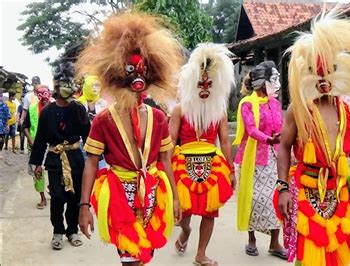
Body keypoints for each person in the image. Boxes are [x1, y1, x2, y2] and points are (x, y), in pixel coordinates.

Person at [276, 11, 350, 266]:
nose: (324, 78)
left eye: (328, 71)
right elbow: (284, 147)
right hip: (306, 191)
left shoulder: (347, 111)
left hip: (338, 193)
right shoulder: (299, 109)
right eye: (318, 71)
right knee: (310, 258)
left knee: (338, 257)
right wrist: (282, 187)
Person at [77, 13, 183, 265]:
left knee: (146, 254)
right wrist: (83, 206)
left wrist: (176, 198)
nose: (137, 75)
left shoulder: (158, 117)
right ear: (117, 73)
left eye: (142, 69)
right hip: (119, 196)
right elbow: (92, 162)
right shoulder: (103, 119)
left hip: (153, 194)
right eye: (130, 69)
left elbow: (165, 159)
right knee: (131, 259)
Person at [170, 43, 235, 266]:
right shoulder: (179, 109)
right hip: (182, 164)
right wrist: (164, 171)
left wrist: (231, 169)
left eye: (209, 83)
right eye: (200, 83)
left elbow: (225, 141)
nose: (205, 87)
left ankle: (200, 253)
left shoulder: (219, 111)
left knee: (209, 212)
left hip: (213, 166)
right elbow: (169, 142)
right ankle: (185, 233)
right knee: (183, 214)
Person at [29, 62, 91, 250]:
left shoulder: (79, 109)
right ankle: (58, 231)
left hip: (75, 158)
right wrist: (36, 164)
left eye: (70, 83)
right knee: (57, 197)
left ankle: (72, 231)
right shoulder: (47, 111)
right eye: (64, 82)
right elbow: (40, 139)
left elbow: (89, 134)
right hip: (55, 159)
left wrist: (97, 157)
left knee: (74, 197)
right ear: (56, 86)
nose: (68, 86)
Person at [233, 61, 286, 260]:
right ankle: (252, 240)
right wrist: (268, 139)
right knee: (253, 199)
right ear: (262, 84)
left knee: (277, 198)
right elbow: (251, 129)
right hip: (253, 158)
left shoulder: (275, 103)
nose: (278, 84)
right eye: (274, 80)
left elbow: (280, 126)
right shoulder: (247, 104)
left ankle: (274, 243)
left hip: (274, 157)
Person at [24, 86, 52, 209]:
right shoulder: (32, 108)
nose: (44, 100)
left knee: (55, 170)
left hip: (53, 146)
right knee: (38, 172)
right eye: (42, 97)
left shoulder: (56, 107)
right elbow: (25, 126)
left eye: (46, 96)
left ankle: (52, 188)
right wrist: (30, 140)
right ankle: (42, 197)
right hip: (36, 145)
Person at [0, 90, 11, 159]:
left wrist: (7, 125)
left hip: (2, 127)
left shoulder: (4, 105)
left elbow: (7, 116)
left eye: (0, 96)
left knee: (1, 141)